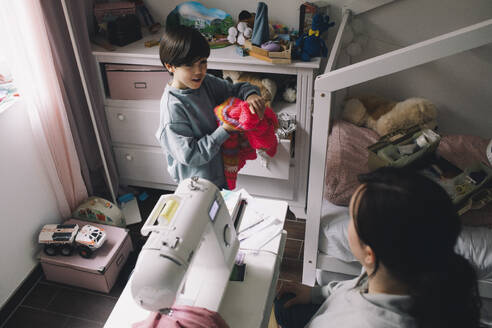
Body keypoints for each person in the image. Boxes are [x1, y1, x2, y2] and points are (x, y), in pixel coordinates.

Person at [275, 167, 481, 328]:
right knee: (282, 303)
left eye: (352, 219)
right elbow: (353, 286)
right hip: (332, 307)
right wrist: (317, 293)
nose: (348, 224)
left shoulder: (361, 322)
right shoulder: (394, 272)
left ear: (369, 253)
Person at [156, 25, 265, 189]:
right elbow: (191, 155)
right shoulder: (172, 109)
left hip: (218, 172)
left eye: (203, 62)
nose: (199, 71)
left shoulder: (206, 83)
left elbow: (237, 89)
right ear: (170, 66)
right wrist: (225, 130)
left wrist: (251, 95)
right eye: (189, 65)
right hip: (195, 185)